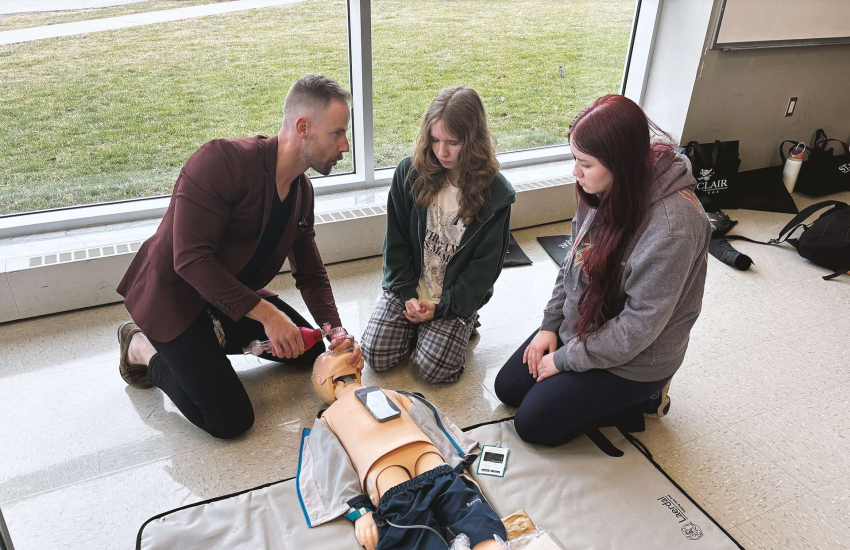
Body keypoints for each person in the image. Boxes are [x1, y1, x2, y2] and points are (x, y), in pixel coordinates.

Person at [115, 74, 363, 439]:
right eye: (337, 133)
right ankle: (142, 348)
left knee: (307, 352)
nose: (345, 146)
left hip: (227, 298)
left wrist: (334, 330)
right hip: (174, 298)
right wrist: (268, 315)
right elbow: (190, 260)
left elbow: (309, 272)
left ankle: (210, 341)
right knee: (229, 420)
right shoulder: (219, 162)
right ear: (303, 127)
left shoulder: (301, 191)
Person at [494, 94, 711, 447]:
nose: (575, 172)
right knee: (509, 388)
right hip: (589, 322)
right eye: (574, 159)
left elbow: (636, 329)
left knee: (533, 425)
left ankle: (644, 399)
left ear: (621, 164)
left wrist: (565, 360)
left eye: (585, 163)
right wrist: (550, 326)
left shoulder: (674, 227)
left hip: (637, 358)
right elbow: (573, 263)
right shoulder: (600, 187)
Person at [360, 86, 516, 383]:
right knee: (376, 355)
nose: (442, 151)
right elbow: (397, 245)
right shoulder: (409, 173)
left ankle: (463, 323)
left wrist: (442, 308)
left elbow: (482, 272)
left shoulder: (497, 195)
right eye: (434, 139)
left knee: (436, 371)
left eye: (453, 142)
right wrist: (406, 294)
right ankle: (424, 329)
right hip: (410, 288)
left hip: (453, 296)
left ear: (473, 141)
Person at [297, 348, 506, 550]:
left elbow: (330, 465)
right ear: (357, 373)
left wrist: (359, 511)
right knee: (474, 521)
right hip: (432, 462)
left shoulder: (327, 419)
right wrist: (458, 467)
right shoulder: (394, 394)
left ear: (323, 382)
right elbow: (434, 426)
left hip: (388, 479)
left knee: (414, 537)